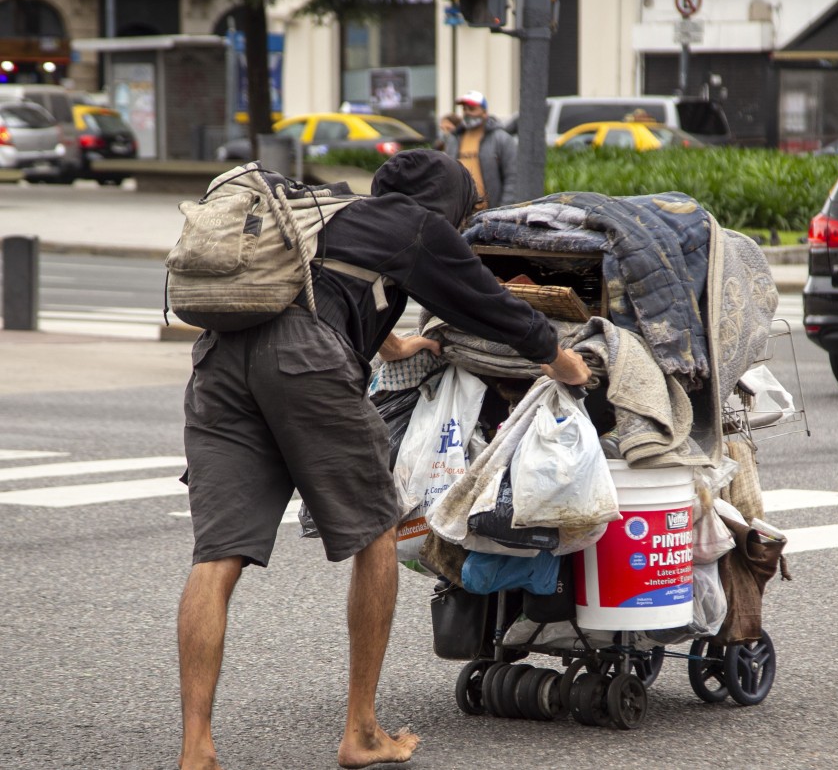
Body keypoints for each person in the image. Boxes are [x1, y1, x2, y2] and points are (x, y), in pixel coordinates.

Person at [176, 149, 589, 770]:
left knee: (217, 557)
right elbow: (493, 307)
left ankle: (196, 747)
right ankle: (362, 732)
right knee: (377, 533)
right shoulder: (421, 226)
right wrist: (562, 361)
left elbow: (327, 286)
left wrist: (394, 343)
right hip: (305, 363)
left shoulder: (336, 212)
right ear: (449, 202)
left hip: (220, 363)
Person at [440, 90, 518, 210]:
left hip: (491, 214)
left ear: (484, 112)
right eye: (464, 109)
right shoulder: (454, 139)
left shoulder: (501, 139)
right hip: (462, 214)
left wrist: (503, 210)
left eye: (472, 109)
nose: (467, 113)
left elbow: (512, 177)